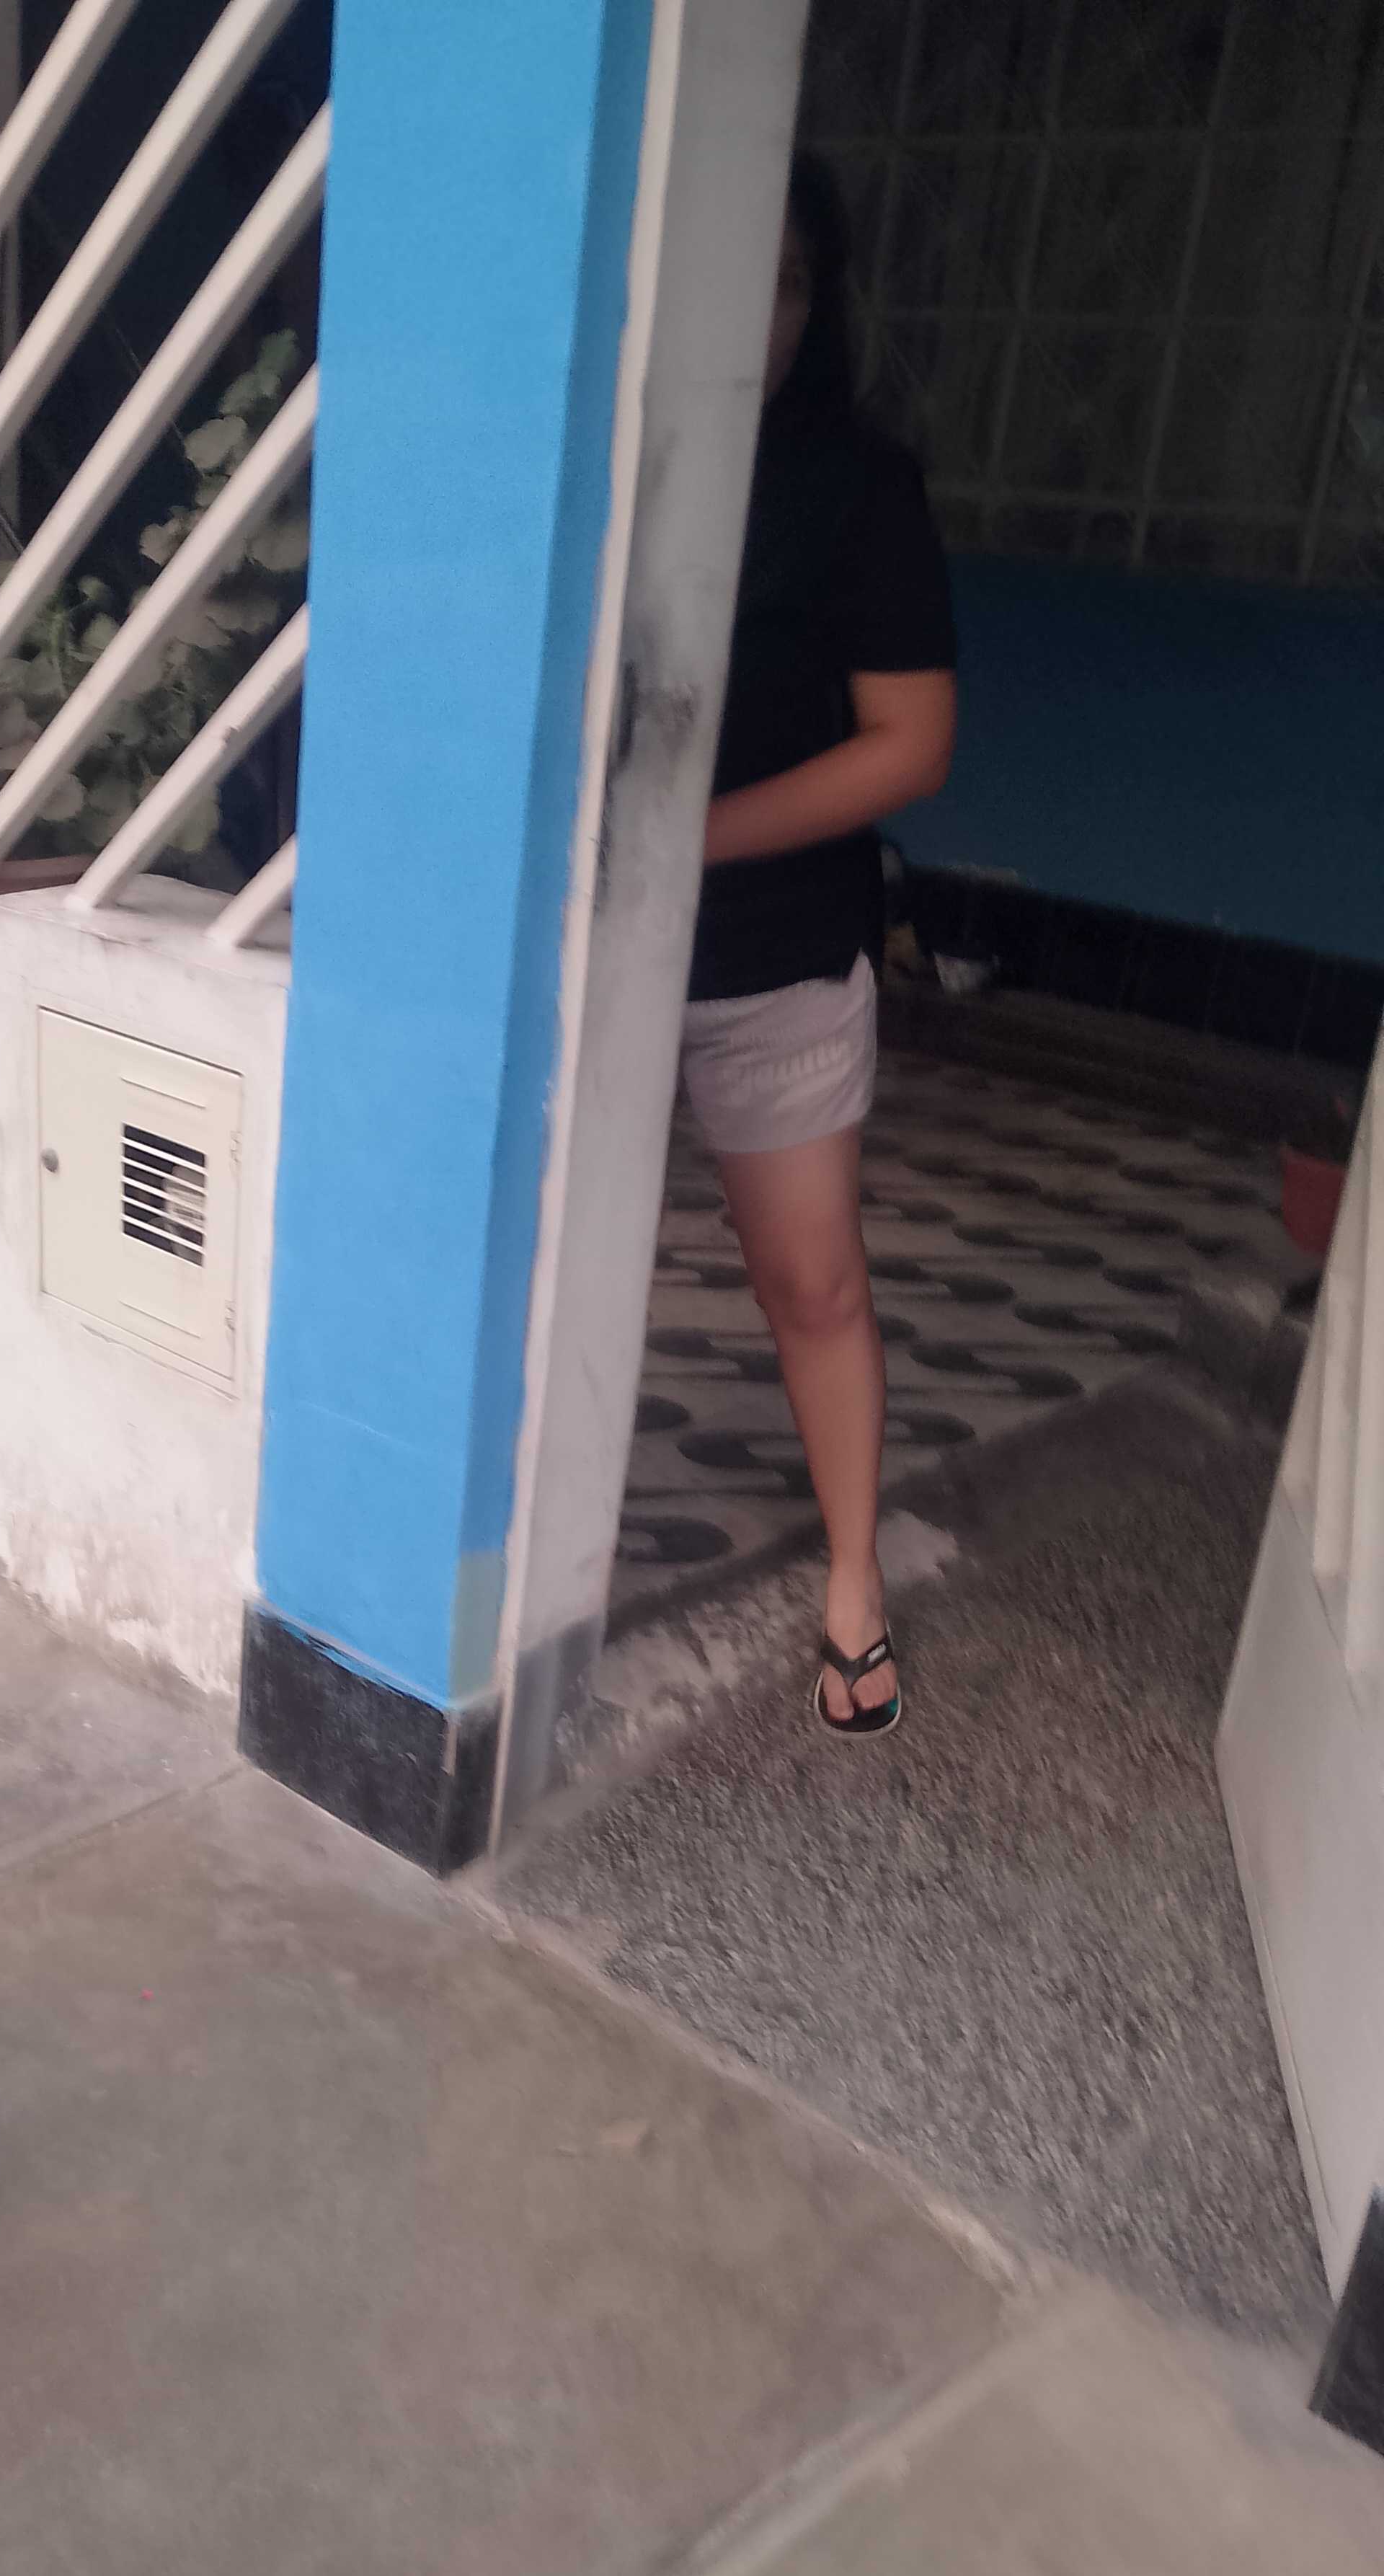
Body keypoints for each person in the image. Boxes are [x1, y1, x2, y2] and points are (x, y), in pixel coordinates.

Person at [683, 156, 958, 1738]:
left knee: (812, 1277)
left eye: (784, 283)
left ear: (817, 301)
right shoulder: (606, 462)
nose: (756, 316)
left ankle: (854, 1580)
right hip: (575, 954)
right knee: (528, 1276)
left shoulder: (856, 487)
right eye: (729, 276)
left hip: (774, 946)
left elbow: (912, 743)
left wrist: (690, 845)